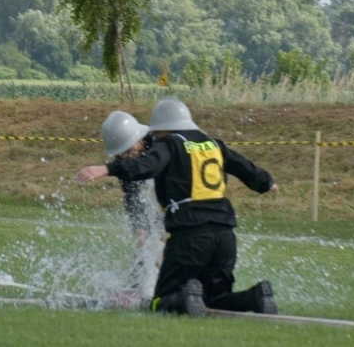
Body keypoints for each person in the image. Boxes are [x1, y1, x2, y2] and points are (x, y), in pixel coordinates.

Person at [75, 97, 279, 317]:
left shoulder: (168, 143)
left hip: (190, 235)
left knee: (160, 301)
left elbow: (147, 166)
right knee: (216, 299)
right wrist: (266, 182)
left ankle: (183, 296)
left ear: (161, 129)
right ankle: (256, 296)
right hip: (225, 234)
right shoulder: (213, 143)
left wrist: (107, 169)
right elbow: (241, 165)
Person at [99, 110, 163, 294]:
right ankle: (136, 283)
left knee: (161, 243)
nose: (126, 157)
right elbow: (132, 198)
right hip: (159, 198)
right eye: (120, 154)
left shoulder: (159, 144)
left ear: (138, 139)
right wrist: (140, 232)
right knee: (144, 244)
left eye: (128, 151)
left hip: (180, 195)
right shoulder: (124, 160)